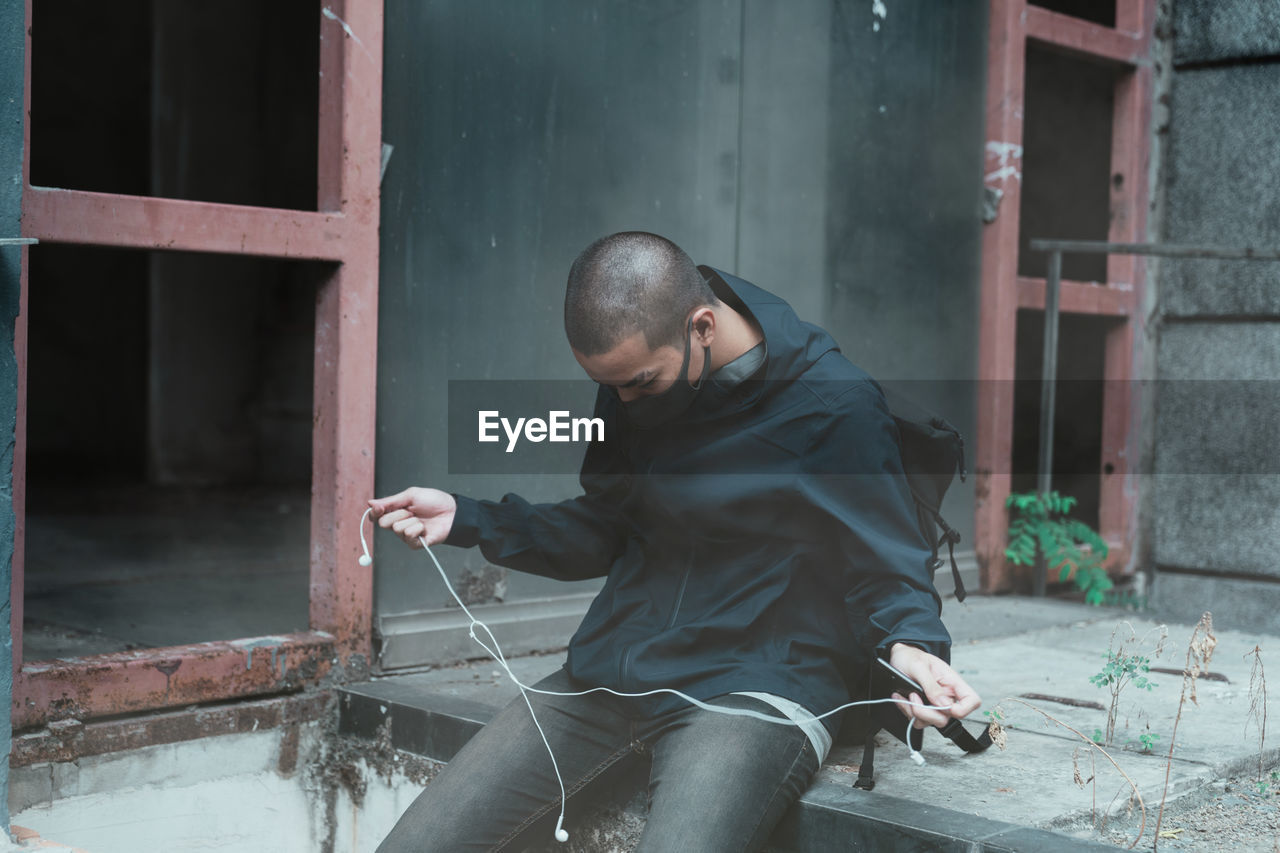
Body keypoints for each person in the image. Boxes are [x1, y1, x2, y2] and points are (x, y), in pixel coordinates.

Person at [370, 232, 981, 852]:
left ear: (704, 327)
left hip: (760, 688)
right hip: (612, 674)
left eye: (639, 382)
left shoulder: (835, 406)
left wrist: (912, 650)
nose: (624, 401)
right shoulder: (639, 382)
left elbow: (886, 562)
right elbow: (610, 524)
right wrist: (470, 519)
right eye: (611, 387)